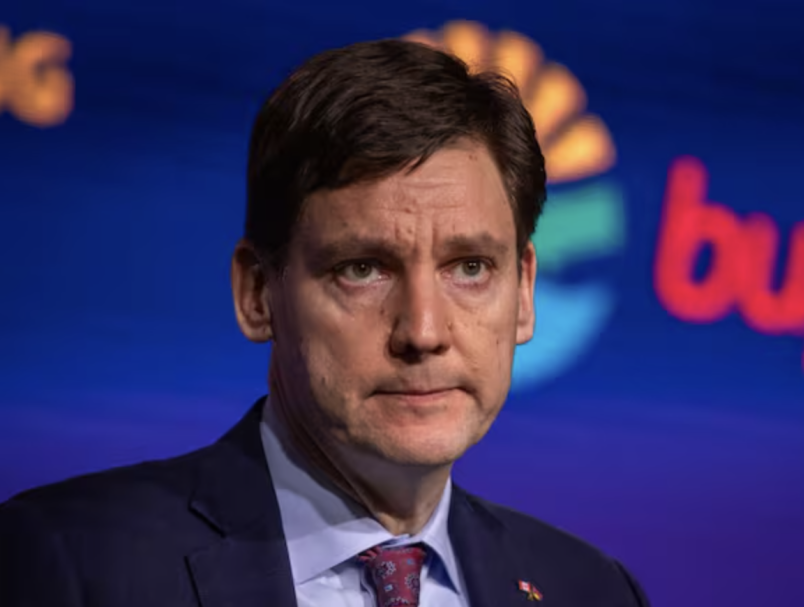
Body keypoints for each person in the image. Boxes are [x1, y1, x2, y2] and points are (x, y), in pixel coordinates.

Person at [0, 40, 649, 607]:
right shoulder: (71, 565)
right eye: (363, 269)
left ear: (525, 293)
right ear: (258, 292)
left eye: (470, 267)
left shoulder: (590, 589)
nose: (423, 332)